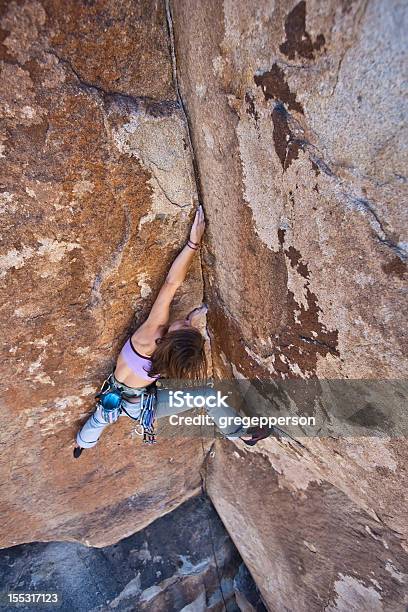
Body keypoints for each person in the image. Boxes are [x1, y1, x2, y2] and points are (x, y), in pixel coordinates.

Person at [73, 206, 273, 458]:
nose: (185, 322)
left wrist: (193, 244)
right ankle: (240, 433)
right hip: (143, 406)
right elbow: (174, 305)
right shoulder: (166, 359)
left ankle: (81, 445)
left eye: (185, 327)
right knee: (207, 397)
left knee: (100, 419)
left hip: (116, 395)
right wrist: (189, 319)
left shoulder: (150, 335)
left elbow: (171, 284)